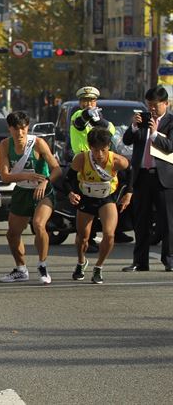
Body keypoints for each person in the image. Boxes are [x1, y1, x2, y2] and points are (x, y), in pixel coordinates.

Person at [0, 111, 61, 285]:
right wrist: (26, 176)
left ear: (27, 127)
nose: (20, 133)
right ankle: (21, 269)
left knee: (39, 225)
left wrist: (44, 181)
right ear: (10, 129)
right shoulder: (5, 145)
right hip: (22, 190)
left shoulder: (38, 143)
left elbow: (57, 169)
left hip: (42, 190)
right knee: (12, 234)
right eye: (16, 129)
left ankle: (42, 265)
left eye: (23, 128)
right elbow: (4, 176)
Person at [69, 86, 133, 246]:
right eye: (84, 101)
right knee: (86, 197)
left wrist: (98, 120)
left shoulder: (99, 116)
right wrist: (87, 115)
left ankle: (116, 229)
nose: (88, 104)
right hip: (84, 160)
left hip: (104, 161)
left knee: (115, 191)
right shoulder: (78, 114)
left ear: (96, 101)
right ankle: (88, 239)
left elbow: (110, 130)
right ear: (80, 102)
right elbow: (79, 123)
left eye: (91, 101)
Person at [66, 128, 130, 283]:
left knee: (109, 234)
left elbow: (131, 175)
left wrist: (128, 194)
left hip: (106, 199)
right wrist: (71, 193)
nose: (99, 154)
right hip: (86, 199)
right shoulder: (81, 159)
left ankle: (99, 267)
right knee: (83, 237)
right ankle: (81, 262)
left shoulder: (117, 160)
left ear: (109, 146)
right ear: (89, 146)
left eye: (103, 149)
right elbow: (68, 178)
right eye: (95, 150)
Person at [121, 85, 173, 272]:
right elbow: (126, 140)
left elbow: (170, 146)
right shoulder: (142, 121)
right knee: (141, 221)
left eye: (155, 105)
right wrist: (134, 127)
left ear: (166, 104)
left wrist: (154, 134)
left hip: (164, 178)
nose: (151, 109)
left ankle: (169, 260)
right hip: (141, 176)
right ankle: (140, 261)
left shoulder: (170, 122)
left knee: (167, 221)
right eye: (148, 105)